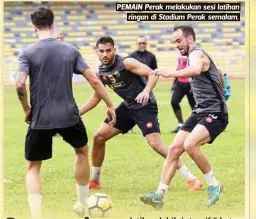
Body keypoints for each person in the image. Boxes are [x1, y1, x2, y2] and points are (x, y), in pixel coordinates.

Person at [16, 6, 115, 218]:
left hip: (40, 118)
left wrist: (26, 109)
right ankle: (81, 204)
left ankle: (36, 216)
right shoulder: (70, 50)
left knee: (33, 167)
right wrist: (109, 104)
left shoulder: (27, 52)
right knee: (81, 151)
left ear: (34, 27)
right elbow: (94, 80)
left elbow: (19, 85)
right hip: (69, 116)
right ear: (53, 25)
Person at [80, 36, 202, 192]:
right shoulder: (101, 72)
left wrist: (146, 91)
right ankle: (95, 181)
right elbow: (97, 96)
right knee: (99, 137)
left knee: (156, 145)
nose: (105, 54)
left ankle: (191, 179)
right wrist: (79, 113)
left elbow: (153, 73)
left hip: (145, 106)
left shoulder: (126, 63)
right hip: (128, 106)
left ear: (114, 50)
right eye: (101, 51)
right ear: (97, 52)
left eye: (108, 50)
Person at [140, 25, 229, 208]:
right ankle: (159, 195)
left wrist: (170, 73)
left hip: (216, 112)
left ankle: (213, 184)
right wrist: (223, 86)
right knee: (174, 149)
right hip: (199, 111)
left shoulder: (196, 53)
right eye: (174, 42)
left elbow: (196, 69)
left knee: (190, 144)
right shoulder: (193, 56)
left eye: (179, 40)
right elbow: (216, 71)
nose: (177, 45)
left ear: (189, 39)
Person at [170, 56, 195, 133]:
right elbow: (178, 69)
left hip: (190, 84)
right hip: (180, 83)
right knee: (174, 102)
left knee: (194, 106)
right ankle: (180, 124)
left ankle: (197, 124)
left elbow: (195, 70)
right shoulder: (180, 56)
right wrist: (174, 83)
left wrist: (194, 84)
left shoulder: (193, 55)